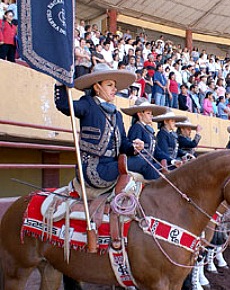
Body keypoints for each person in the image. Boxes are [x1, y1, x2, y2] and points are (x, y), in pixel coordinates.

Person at [54, 64, 160, 193]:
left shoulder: (117, 114)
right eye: (109, 85)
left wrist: (133, 147)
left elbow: (123, 144)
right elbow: (65, 105)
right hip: (94, 170)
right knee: (143, 164)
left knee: (144, 163)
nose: (114, 89)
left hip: (112, 165)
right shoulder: (88, 104)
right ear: (97, 87)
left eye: (114, 86)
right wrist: (60, 83)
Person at [121, 97, 167, 167]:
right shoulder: (137, 128)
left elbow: (157, 151)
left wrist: (172, 160)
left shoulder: (149, 131)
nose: (151, 116)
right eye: (148, 113)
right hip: (139, 164)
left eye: (151, 114)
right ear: (140, 114)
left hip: (147, 164)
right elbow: (135, 152)